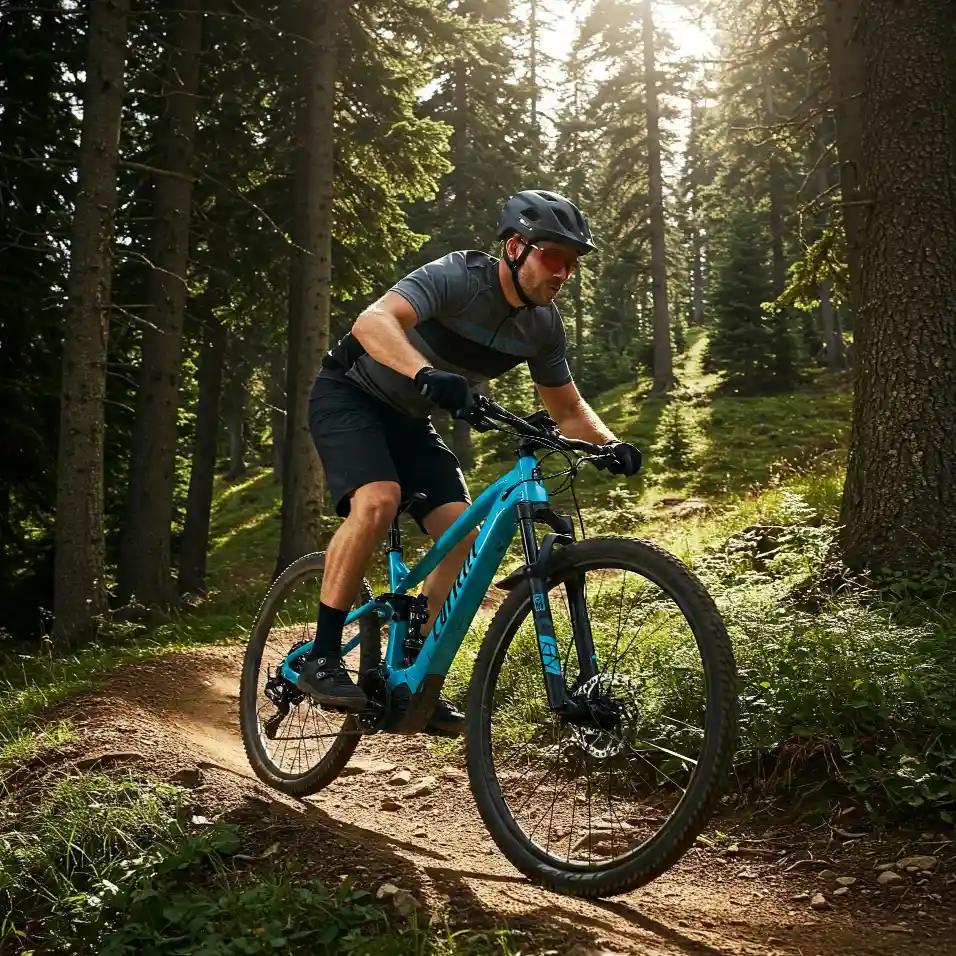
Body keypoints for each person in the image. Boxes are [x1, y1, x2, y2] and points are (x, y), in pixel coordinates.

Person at [300, 189, 642, 735]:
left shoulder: (542, 327)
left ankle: (413, 681)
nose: (563, 272)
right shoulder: (459, 277)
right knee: (379, 499)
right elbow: (373, 321)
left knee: (463, 538)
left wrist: (609, 444)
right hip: (350, 394)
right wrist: (425, 373)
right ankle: (321, 655)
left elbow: (567, 409)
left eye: (572, 264)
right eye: (553, 256)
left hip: (411, 420)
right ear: (515, 247)